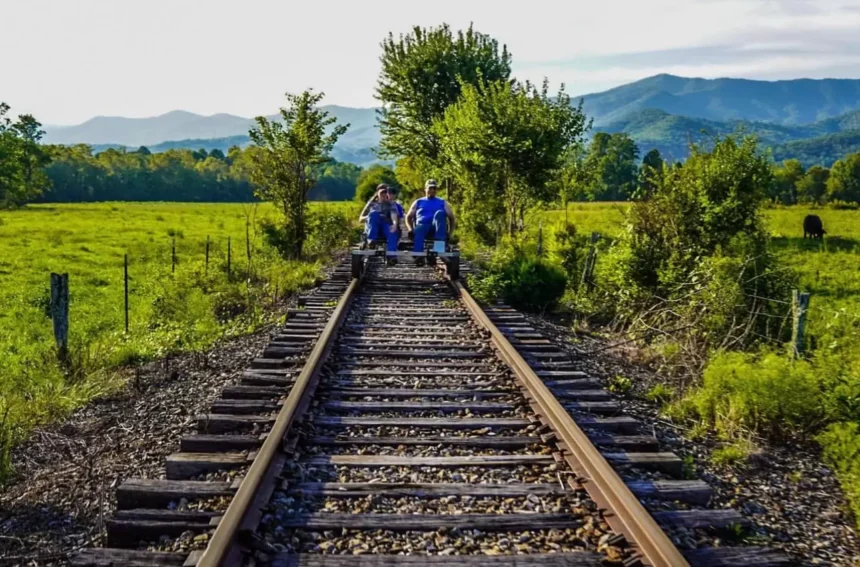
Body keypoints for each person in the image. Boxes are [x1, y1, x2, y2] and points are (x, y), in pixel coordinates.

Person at [406, 179, 455, 262]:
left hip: (436, 228)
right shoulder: (419, 202)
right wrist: (410, 229)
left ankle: (439, 249)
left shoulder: (442, 202)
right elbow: (408, 217)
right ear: (425, 189)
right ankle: (418, 255)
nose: (432, 190)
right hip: (422, 227)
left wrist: (450, 233)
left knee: (439, 213)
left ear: (436, 190)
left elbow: (452, 218)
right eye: (430, 188)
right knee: (419, 228)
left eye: (434, 188)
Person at [359, 185, 399, 254]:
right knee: (374, 214)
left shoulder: (391, 204)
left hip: (385, 225)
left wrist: (395, 225)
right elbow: (360, 219)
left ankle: (392, 256)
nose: (384, 194)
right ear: (377, 193)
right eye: (382, 192)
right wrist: (370, 216)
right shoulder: (371, 203)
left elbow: (394, 215)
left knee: (392, 233)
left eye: (386, 192)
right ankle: (371, 241)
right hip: (373, 226)